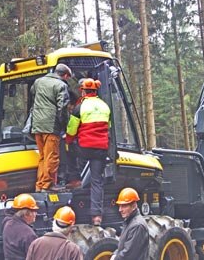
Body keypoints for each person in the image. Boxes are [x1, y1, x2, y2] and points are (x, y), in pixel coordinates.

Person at [65, 78, 110, 225]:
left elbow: (71, 130)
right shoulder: (105, 107)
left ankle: (75, 179)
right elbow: (107, 127)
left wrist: (68, 142)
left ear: (83, 91)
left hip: (85, 148)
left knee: (70, 149)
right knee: (97, 181)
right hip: (101, 149)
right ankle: (96, 216)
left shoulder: (80, 107)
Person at [30, 63, 72, 192]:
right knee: (52, 156)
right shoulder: (61, 85)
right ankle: (48, 185)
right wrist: (65, 126)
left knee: (43, 156)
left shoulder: (38, 82)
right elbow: (63, 107)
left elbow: (33, 94)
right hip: (51, 125)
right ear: (65, 75)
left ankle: (40, 185)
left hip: (37, 124)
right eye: (68, 78)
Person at [110, 187, 149, 260]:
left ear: (134, 206)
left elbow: (129, 254)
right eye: (119, 206)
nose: (120, 210)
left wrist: (116, 258)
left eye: (124, 206)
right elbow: (123, 246)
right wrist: (115, 254)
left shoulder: (137, 225)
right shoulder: (129, 222)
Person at [2, 193, 38, 260]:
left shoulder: (7, 223)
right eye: (34, 211)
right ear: (26, 214)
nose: (36, 214)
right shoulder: (28, 234)